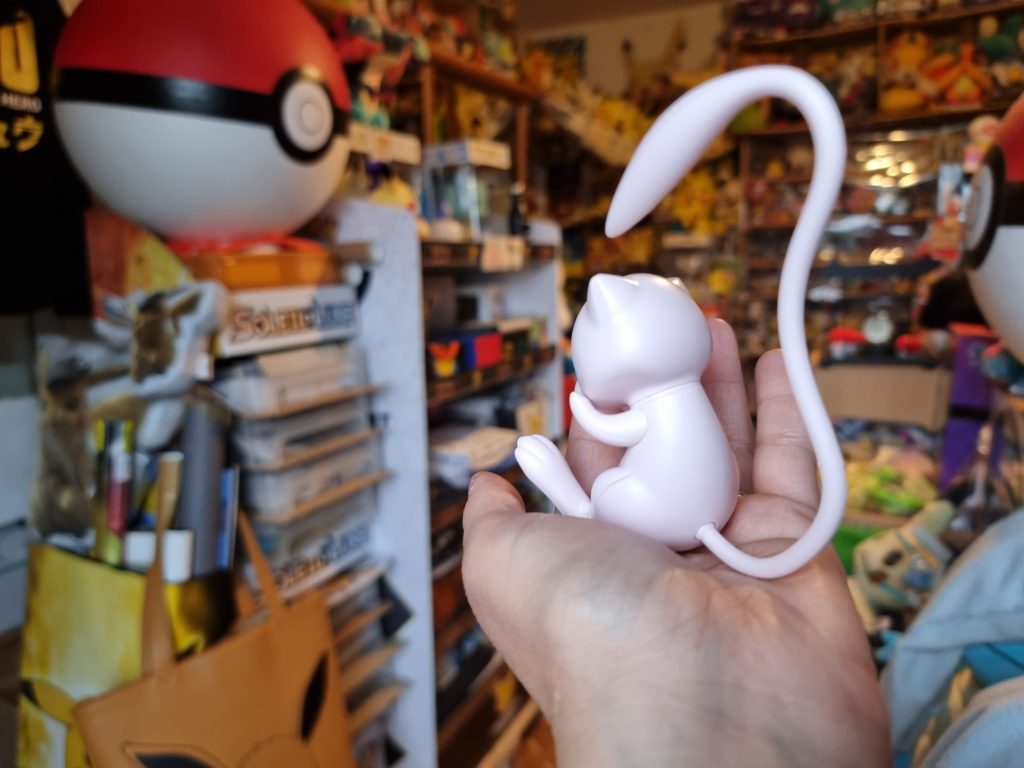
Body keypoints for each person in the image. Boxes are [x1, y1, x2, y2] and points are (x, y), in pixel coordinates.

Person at [462, 320, 891, 767]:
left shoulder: (653, 404)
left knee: (608, 487)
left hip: (668, 506)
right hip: (717, 502)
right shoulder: (686, 395)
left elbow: (623, 429)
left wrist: (583, 409)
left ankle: (580, 506)